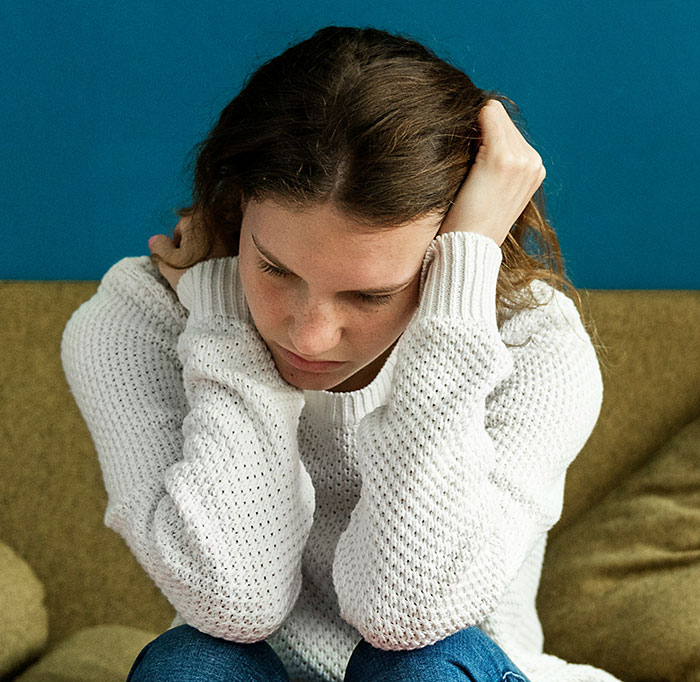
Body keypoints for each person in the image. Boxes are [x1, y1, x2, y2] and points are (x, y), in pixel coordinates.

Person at [61, 25, 619, 682]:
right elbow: (232, 600)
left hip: (446, 664)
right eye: (274, 269)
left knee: (421, 667)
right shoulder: (143, 318)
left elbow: (409, 614)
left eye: (369, 294)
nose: (309, 335)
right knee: (191, 664)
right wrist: (223, 324)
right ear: (239, 207)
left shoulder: (532, 340)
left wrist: (456, 300)